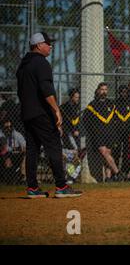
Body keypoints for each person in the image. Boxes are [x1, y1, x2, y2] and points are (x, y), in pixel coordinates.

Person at [16, 32, 81, 198]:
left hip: (27, 113)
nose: (50, 46)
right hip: (41, 113)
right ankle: (61, 187)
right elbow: (46, 89)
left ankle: (32, 188)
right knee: (54, 146)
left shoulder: (23, 65)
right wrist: (56, 110)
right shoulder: (41, 63)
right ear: (39, 45)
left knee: (32, 149)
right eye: (47, 43)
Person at [83, 82, 121, 182]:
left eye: (105, 90)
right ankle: (117, 172)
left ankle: (108, 178)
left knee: (107, 154)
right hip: (98, 134)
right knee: (104, 152)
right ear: (98, 91)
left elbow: (116, 119)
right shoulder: (92, 105)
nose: (104, 92)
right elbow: (86, 121)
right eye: (102, 89)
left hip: (109, 133)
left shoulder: (111, 104)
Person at [114, 84, 130, 180]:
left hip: (128, 131)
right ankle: (115, 173)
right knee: (116, 151)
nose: (124, 94)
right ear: (119, 93)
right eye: (122, 92)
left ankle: (125, 172)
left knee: (128, 152)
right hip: (118, 131)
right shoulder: (115, 103)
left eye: (126, 92)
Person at [0, 119, 26, 184]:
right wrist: (14, 149)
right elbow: (5, 148)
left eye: (10, 127)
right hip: (6, 155)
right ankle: (8, 180)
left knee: (26, 156)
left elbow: (24, 146)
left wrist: (21, 149)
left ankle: (23, 178)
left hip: (18, 155)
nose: (9, 129)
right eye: (6, 127)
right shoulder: (1, 134)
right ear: (3, 128)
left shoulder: (17, 135)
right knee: (6, 158)